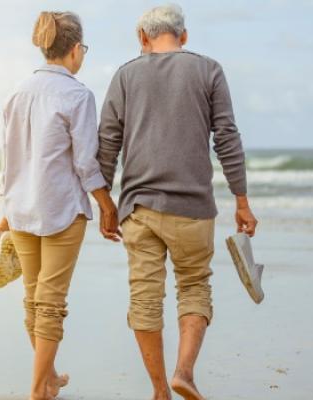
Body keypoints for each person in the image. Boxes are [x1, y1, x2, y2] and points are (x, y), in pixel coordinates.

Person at [97, 4, 258, 400]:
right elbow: (227, 139)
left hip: (139, 209)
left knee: (145, 296)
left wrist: (105, 203)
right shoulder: (208, 70)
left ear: (142, 39)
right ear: (183, 37)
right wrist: (241, 199)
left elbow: (106, 145)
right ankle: (183, 372)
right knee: (194, 286)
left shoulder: (125, 75)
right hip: (193, 208)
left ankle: (158, 391)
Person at [0, 11, 120, 400]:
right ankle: (38, 390)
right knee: (50, 304)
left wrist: (5, 208)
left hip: (20, 208)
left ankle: (47, 380)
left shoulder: (17, 92)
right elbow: (85, 162)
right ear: (76, 49)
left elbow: (9, 158)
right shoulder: (77, 94)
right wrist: (105, 203)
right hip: (61, 210)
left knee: (33, 299)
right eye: (84, 48)